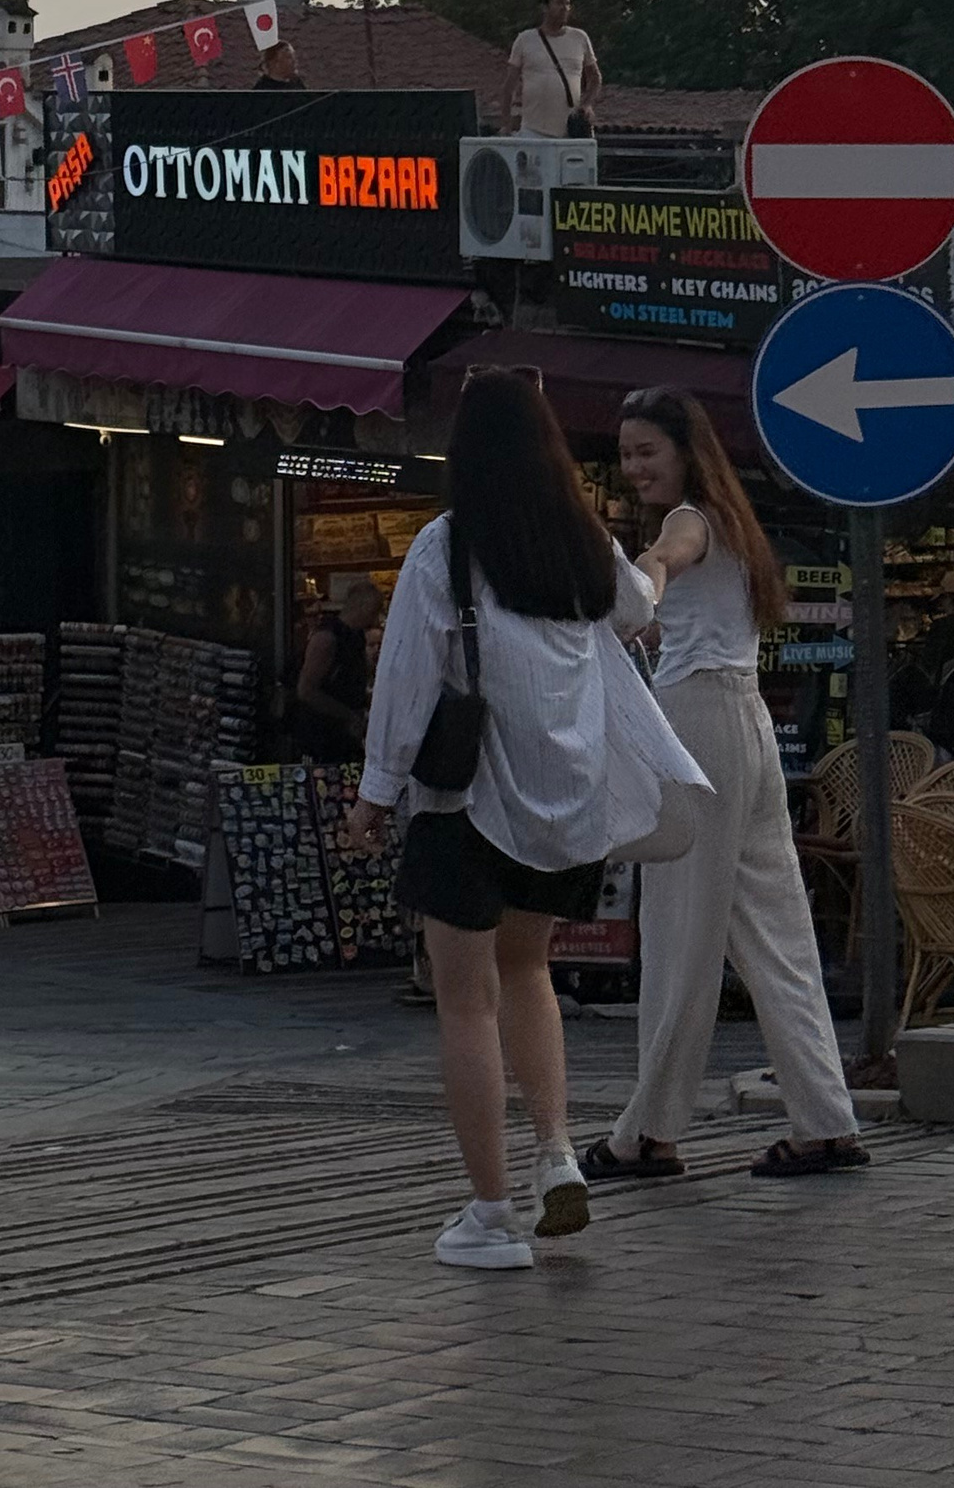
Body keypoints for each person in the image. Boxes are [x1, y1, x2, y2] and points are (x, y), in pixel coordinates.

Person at [342, 368, 707, 1270]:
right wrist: (661, 558)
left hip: (468, 803)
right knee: (529, 968)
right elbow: (634, 607)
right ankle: (554, 1158)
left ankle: (491, 1214)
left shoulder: (446, 547)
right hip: (567, 806)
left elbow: (406, 678)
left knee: (464, 999)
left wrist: (375, 791)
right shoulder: (580, 542)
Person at [590, 387, 865, 1185]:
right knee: (778, 935)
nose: (635, 467)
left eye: (647, 451)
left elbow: (663, 560)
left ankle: (646, 1135)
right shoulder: (736, 526)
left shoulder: (690, 521)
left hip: (694, 724)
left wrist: (638, 583)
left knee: (677, 933)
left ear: (684, 452)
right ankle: (825, 1122)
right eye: (627, 453)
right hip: (745, 726)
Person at [294, 581, 383, 761]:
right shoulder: (327, 637)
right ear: (363, 607)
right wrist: (347, 715)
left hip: (346, 735)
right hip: (321, 735)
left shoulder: (356, 637)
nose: (376, 617)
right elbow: (306, 691)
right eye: (374, 611)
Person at [505, 0, 600, 137]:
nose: (565, 8)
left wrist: (587, 104)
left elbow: (595, 77)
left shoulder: (580, 38)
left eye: (567, 4)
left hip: (571, 130)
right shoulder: (525, 39)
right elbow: (509, 85)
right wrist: (506, 125)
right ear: (544, 7)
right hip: (533, 130)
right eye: (559, 3)